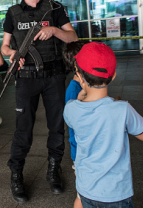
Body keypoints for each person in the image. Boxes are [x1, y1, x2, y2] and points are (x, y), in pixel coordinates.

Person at [1, 0, 78, 203]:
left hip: (54, 76)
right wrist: (12, 54)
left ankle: (54, 169)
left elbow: (73, 37)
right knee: (23, 129)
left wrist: (54, 30)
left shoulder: (54, 8)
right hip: (25, 78)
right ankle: (16, 174)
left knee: (56, 126)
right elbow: (4, 46)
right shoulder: (13, 13)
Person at [64, 42, 143, 208]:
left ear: (78, 73)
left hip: (86, 189)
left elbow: (82, 114)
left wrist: (80, 98)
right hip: (116, 194)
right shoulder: (122, 110)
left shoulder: (70, 108)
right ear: (113, 76)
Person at [62, 41, 85, 208]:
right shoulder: (73, 91)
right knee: (83, 196)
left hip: (87, 151)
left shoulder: (84, 85)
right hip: (81, 153)